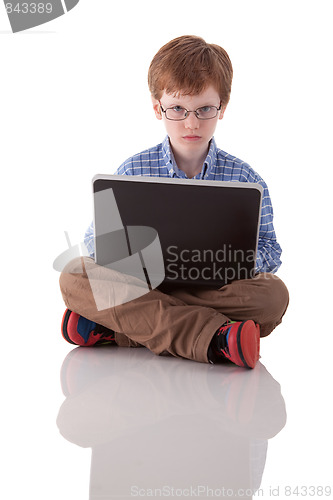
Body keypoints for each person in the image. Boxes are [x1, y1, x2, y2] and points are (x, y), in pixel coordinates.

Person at [59, 35, 289, 369]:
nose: (192, 122)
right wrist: (126, 255)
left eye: (205, 109)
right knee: (74, 274)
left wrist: (232, 261)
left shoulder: (246, 179)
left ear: (222, 107)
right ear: (158, 108)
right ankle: (217, 339)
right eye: (178, 108)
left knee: (273, 296)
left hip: (213, 290)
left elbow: (271, 249)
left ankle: (115, 327)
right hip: (142, 283)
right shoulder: (132, 170)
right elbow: (96, 245)